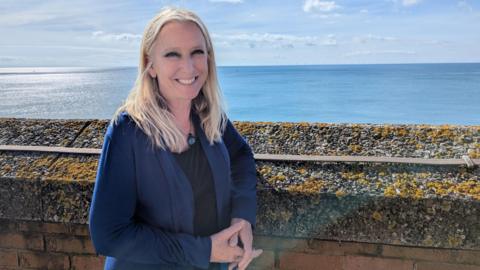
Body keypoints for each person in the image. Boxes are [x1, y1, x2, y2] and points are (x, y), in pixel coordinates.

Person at [88, 6, 262, 270]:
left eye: (197, 52)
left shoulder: (208, 116)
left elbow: (241, 157)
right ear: (151, 65)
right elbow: (108, 235)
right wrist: (203, 251)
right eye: (172, 54)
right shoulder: (128, 131)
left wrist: (242, 217)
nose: (189, 66)